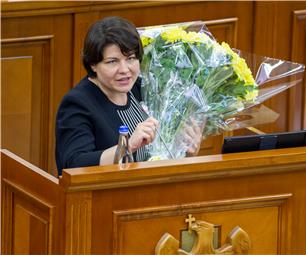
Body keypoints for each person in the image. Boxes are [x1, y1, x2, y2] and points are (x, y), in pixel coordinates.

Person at [55, 16, 202, 176]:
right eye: (112, 61)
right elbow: (73, 164)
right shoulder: (77, 103)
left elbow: (160, 155)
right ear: (93, 65)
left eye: (130, 58)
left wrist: (185, 151)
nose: (124, 69)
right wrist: (127, 145)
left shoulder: (142, 88)